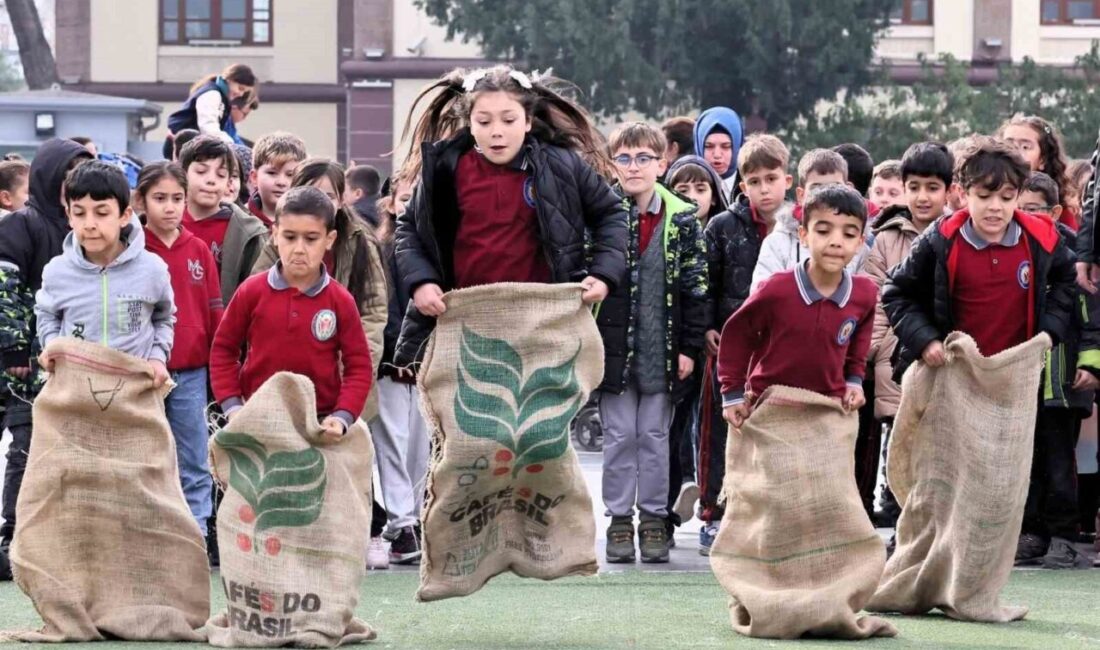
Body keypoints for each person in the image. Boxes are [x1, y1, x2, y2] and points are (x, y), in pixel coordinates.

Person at [390, 64, 627, 368]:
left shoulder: (563, 166)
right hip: (467, 321)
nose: (497, 131)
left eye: (509, 119)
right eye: (484, 121)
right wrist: (420, 282)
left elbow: (611, 214)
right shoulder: (446, 169)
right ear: (470, 124)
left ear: (528, 121)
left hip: (545, 324)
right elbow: (408, 228)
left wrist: (604, 274)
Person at [883, 135, 1076, 399]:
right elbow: (896, 291)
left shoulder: (1040, 239)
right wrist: (925, 340)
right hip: (954, 376)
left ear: (1018, 196)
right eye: (984, 196)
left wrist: (1049, 331)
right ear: (963, 194)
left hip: (1015, 378)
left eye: (1006, 198)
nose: (995, 207)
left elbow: (1069, 279)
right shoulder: (941, 239)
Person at [594, 122, 706, 564]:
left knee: (656, 435)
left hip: (663, 347)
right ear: (612, 163)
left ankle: (655, 519)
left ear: (662, 163)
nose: (634, 166)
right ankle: (619, 520)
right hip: (613, 347)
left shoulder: (683, 219)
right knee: (620, 435)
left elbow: (697, 289)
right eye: (624, 157)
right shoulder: (601, 214)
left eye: (644, 158)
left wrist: (689, 348)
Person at [210, 185, 373, 442]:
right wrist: (233, 407)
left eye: (310, 239)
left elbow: (359, 367)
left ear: (329, 240)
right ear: (274, 235)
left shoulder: (340, 301)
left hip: (320, 423)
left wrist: (342, 416)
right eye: (289, 237)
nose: (299, 248)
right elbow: (223, 350)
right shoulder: (251, 291)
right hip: (256, 418)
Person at [0, 138, 94, 581]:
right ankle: (14, 538)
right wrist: (16, 349)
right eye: (67, 176)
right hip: (26, 367)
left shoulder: (87, 231)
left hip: (76, 362)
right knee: (25, 449)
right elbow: (6, 290)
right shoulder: (22, 224)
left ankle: (66, 538)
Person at [696, 133, 793, 555]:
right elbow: (704, 284)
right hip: (730, 349)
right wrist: (705, 327)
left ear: (787, 180)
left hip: (782, 351)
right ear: (742, 186)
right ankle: (713, 514)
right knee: (719, 432)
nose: (764, 188)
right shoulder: (722, 227)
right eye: (754, 181)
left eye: (772, 178)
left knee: (774, 436)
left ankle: (769, 517)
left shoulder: (802, 229)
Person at [718, 184, 876, 428]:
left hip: (828, 408)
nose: (836, 242)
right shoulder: (776, 289)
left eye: (849, 234)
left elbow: (860, 338)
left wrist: (854, 379)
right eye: (823, 231)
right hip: (768, 407)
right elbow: (738, 334)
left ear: (860, 242)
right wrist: (732, 392)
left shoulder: (863, 293)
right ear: (803, 235)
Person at [251, 158, 386, 420]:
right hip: (285, 370)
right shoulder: (279, 240)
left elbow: (374, 308)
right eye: (311, 193)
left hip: (341, 371)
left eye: (328, 196)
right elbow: (257, 294)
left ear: (342, 199)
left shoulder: (359, 240)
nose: (320, 203)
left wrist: (355, 364)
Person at [864, 142, 954, 526]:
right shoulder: (886, 238)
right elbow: (876, 300)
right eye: (913, 186)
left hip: (946, 356)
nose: (922, 196)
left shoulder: (958, 232)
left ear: (949, 190)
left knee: (939, 445)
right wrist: (869, 351)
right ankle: (902, 520)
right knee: (901, 441)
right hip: (896, 358)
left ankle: (936, 523)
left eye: (932, 187)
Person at [1014, 171, 1098, 570]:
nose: (1025, 216)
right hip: (1021, 380)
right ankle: (1031, 533)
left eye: (1035, 209)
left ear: (1055, 211)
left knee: (1060, 463)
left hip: (1064, 381)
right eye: (1020, 208)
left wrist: (1090, 362)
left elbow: (1090, 315)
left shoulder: (1072, 257)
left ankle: (1064, 535)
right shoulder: (1012, 252)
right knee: (1025, 462)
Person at [138, 161, 223, 536]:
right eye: (159, 198)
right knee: (149, 456)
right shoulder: (133, 249)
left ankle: (197, 534)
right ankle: (151, 534)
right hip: (144, 373)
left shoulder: (199, 249)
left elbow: (214, 308)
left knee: (193, 456)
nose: (170, 207)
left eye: (177, 198)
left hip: (191, 371)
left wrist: (221, 363)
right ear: (140, 202)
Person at [34, 160, 174, 380]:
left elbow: (164, 318)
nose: (89, 224)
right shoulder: (56, 271)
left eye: (101, 213)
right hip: (74, 391)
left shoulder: (152, 269)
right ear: (69, 215)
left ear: (124, 216)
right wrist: (52, 344)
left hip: (135, 393)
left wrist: (157, 358)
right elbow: (46, 314)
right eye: (79, 213)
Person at [368, 173, 429, 567]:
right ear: (390, 203)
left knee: (419, 451)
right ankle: (403, 524)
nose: (409, 206)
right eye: (403, 198)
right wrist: (396, 353)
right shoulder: (380, 248)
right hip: (391, 365)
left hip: (426, 367)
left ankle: (414, 519)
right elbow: (382, 309)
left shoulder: (435, 250)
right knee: (391, 444)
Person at [751, 148, 866, 292]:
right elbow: (762, 297)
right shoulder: (778, 243)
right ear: (801, 194)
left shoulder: (858, 246)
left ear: (848, 189)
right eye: (817, 189)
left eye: (833, 187)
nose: (826, 197)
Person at [179, 135, 267, 303]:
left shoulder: (247, 233)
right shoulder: (164, 223)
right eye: (201, 171)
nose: (211, 180)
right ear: (182, 174)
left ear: (229, 182)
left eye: (221, 175)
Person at [1000, 115, 1076, 230]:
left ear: (1043, 159)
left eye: (1025, 147)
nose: (1014, 152)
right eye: (1008, 145)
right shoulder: (983, 196)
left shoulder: (1061, 211)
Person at [165, 63, 258, 157]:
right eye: (240, 88)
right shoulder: (212, 94)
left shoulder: (219, 96)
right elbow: (208, 125)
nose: (240, 94)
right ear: (230, 79)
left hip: (187, 145)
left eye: (244, 91)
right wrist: (230, 144)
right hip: (181, 146)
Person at [247, 132, 307, 231]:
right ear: (254, 177)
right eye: (272, 173)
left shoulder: (311, 221)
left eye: (290, 175)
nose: (281, 182)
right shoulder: (238, 220)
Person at [693, 107, 743, 202]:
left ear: (737, 147)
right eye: (709, 146)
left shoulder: (751, 184)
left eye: (726, 146)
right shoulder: (685, 185)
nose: (717, 155)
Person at [666, 154, 728, 222]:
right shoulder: (655, 231)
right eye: (683, 191)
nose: (692, 197)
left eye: (700, 190)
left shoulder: (731, 231)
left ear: (713, 198)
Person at [345, 164, 383, 228]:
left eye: (344, 192)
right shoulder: (387, 211)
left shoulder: (355, 217)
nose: (342, 197)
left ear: (358, 193)